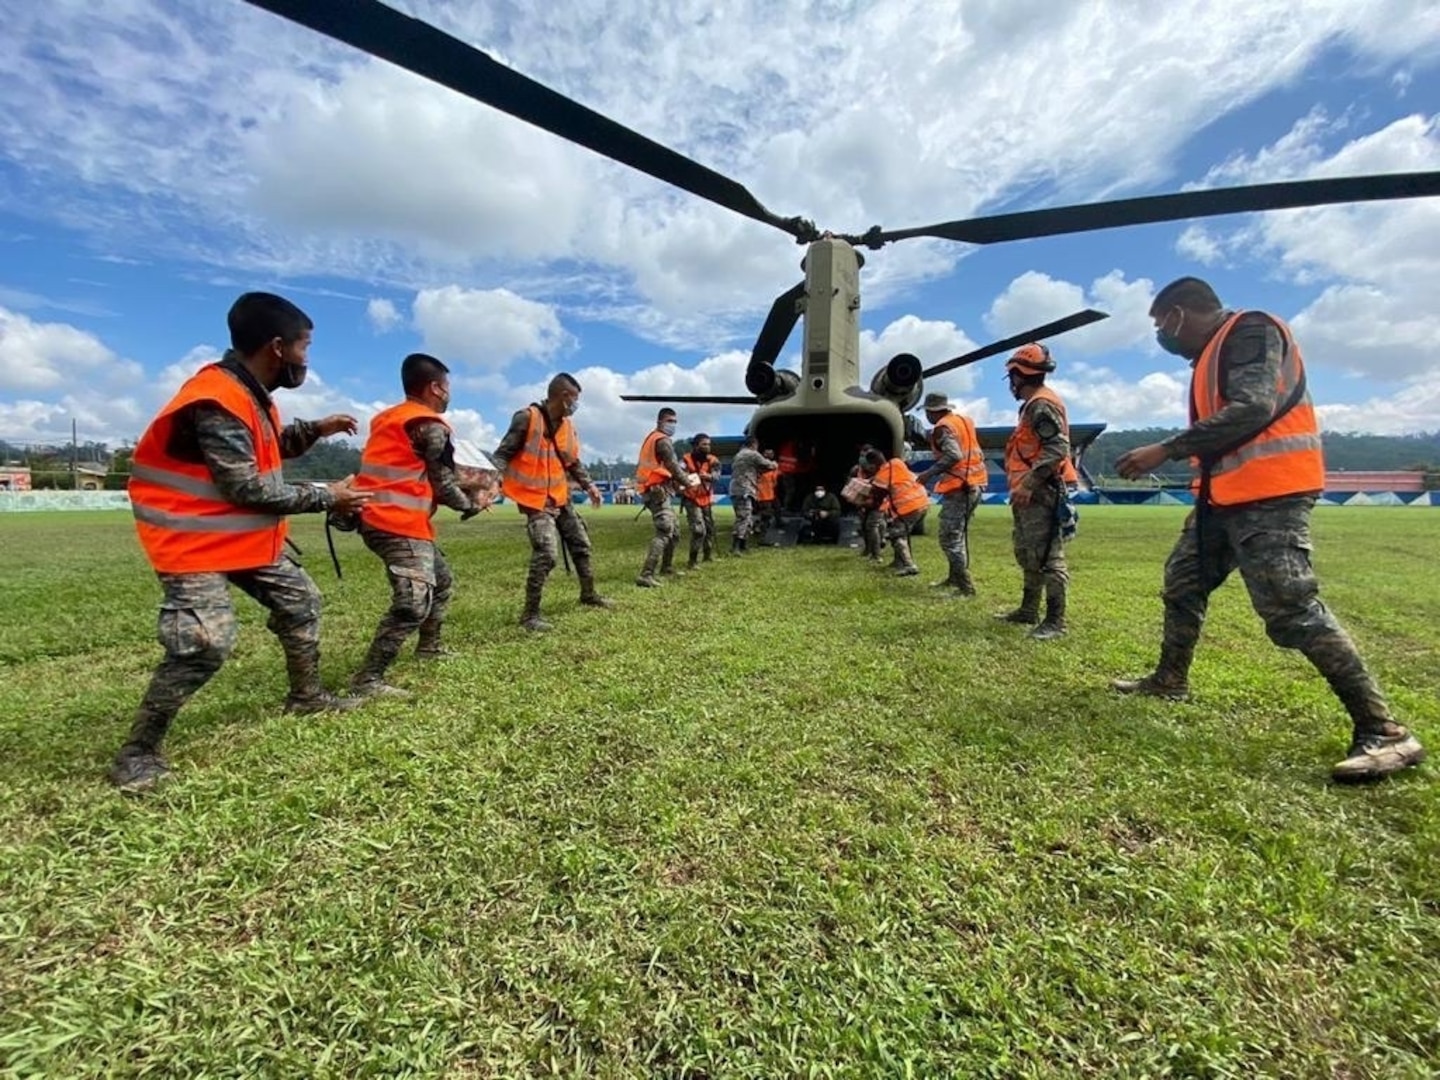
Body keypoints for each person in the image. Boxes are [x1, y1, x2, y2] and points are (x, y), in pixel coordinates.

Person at [1113, 276, 1425, 782]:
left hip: (1270, 493)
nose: (1161, 337)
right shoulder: (1211, 355)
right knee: (1183, 584)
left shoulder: (1250, 330)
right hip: (1223, 498)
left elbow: (1254, 407)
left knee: (1291, 609)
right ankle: (1170, 679)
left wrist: (1167, 448)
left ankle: (1386, 732)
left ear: (1178, 314)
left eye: (1160, 326)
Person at [115, 292, 373, 792]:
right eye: (304, 347)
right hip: (191, 541)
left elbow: (270, 446)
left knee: (300, 602)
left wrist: (317, 429)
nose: (306, 359)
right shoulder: (216, 399)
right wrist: (328, 496)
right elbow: (247, 487)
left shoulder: (249, 395)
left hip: (236, 538)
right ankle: (137, 753)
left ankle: (307, 698)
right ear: (277, 347)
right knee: (203, 643)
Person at [348, 353, 488, 696]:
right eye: (448, 387)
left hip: (378, 517)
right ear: (436, 387)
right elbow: (443, 482)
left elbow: (418, 472)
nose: (448, 394)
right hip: (397, 522)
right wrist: (471, 505)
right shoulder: (431, 425)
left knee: (441, 581)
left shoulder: (389, 419)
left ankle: (429, 647)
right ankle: (369, 678)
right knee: (413, 600)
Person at [492, 373, 612, 632]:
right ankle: (530, 615)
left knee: (581, 545)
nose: (576, 405)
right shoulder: (527, 418)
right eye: (575, 399)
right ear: (564, 396)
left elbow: (573, 461)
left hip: (560, 496)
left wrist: (590, 486)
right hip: (534, 499)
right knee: (546, 553)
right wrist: (489, 484)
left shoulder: (568, 426)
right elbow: (502, 454)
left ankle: (589, 594)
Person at [996, 343, 1076, 641]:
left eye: (1012, 377)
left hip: (1040, 490)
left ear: (1018, 375)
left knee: (1047, 556)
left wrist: (1029, 483)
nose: (1011, 384)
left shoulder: (1041, 405)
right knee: (1029, 551)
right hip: (1030, 491)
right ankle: (1028, 610)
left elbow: (1058, 447)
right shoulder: (1035, 404)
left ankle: (1056, 621)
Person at [915, 391, 987, 595]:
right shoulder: (964, 421)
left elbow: (954, 454)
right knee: (957, 535)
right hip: (975, 484)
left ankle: (965, 586)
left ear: (931, 412)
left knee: (949, 537)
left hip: (960, 487)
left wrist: (928, 474)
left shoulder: (943, 427)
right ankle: (954, 578)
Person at [634, 408, 697, 586]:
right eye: (670, 421)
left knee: (674, 532)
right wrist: (687, 482)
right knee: (664, 530)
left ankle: (666, 567)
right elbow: (672, 466)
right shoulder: (662, 440)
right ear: (660, 422)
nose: (673, 425)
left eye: (675, 421)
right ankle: (646, 574)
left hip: (656, 489)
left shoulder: (652, 438)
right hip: (656, 491)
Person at [860, 448, 928, 576]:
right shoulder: (896, 462)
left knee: (897, 535)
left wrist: (863, 500)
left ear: (873, 464)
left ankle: (909, 565)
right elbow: (893, 474)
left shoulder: (881, 478)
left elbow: (878, 498)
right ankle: (898, 561)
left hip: (908, 506)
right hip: (922, 500)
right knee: (903, 533)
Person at [727, 435, 776, 554]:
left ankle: (743, 545)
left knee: (747, 517)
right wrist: (775, 464)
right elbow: (768, 465)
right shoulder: (752, 454)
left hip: (736, 489)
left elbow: (755, 469)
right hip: (744, 489)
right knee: (743, 517)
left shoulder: (739, 455)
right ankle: (736, 547)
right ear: (754, 444)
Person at [681, 432, 721, 568]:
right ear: (696, 445)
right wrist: (693, 477)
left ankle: (707, 555)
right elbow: (679, 476)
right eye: (704, 444)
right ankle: (692, 561)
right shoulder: (685, 459)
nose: (707, 447)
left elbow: (717, 476)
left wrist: (708, 476)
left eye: (709, 444)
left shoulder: (713, 460)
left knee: (710, 528)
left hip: (706, 498)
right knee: (699, 530)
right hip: (691, 499)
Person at [754, 448, 780, 537]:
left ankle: (777, 524)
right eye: (767, 453)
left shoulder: (774, 466)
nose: (770, 455)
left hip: (771, 493)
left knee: (777, 508)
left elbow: (775, 479)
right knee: (766, 514)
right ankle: (762, 531)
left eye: (771, 453)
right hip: (763, 495)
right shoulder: (760, 467)